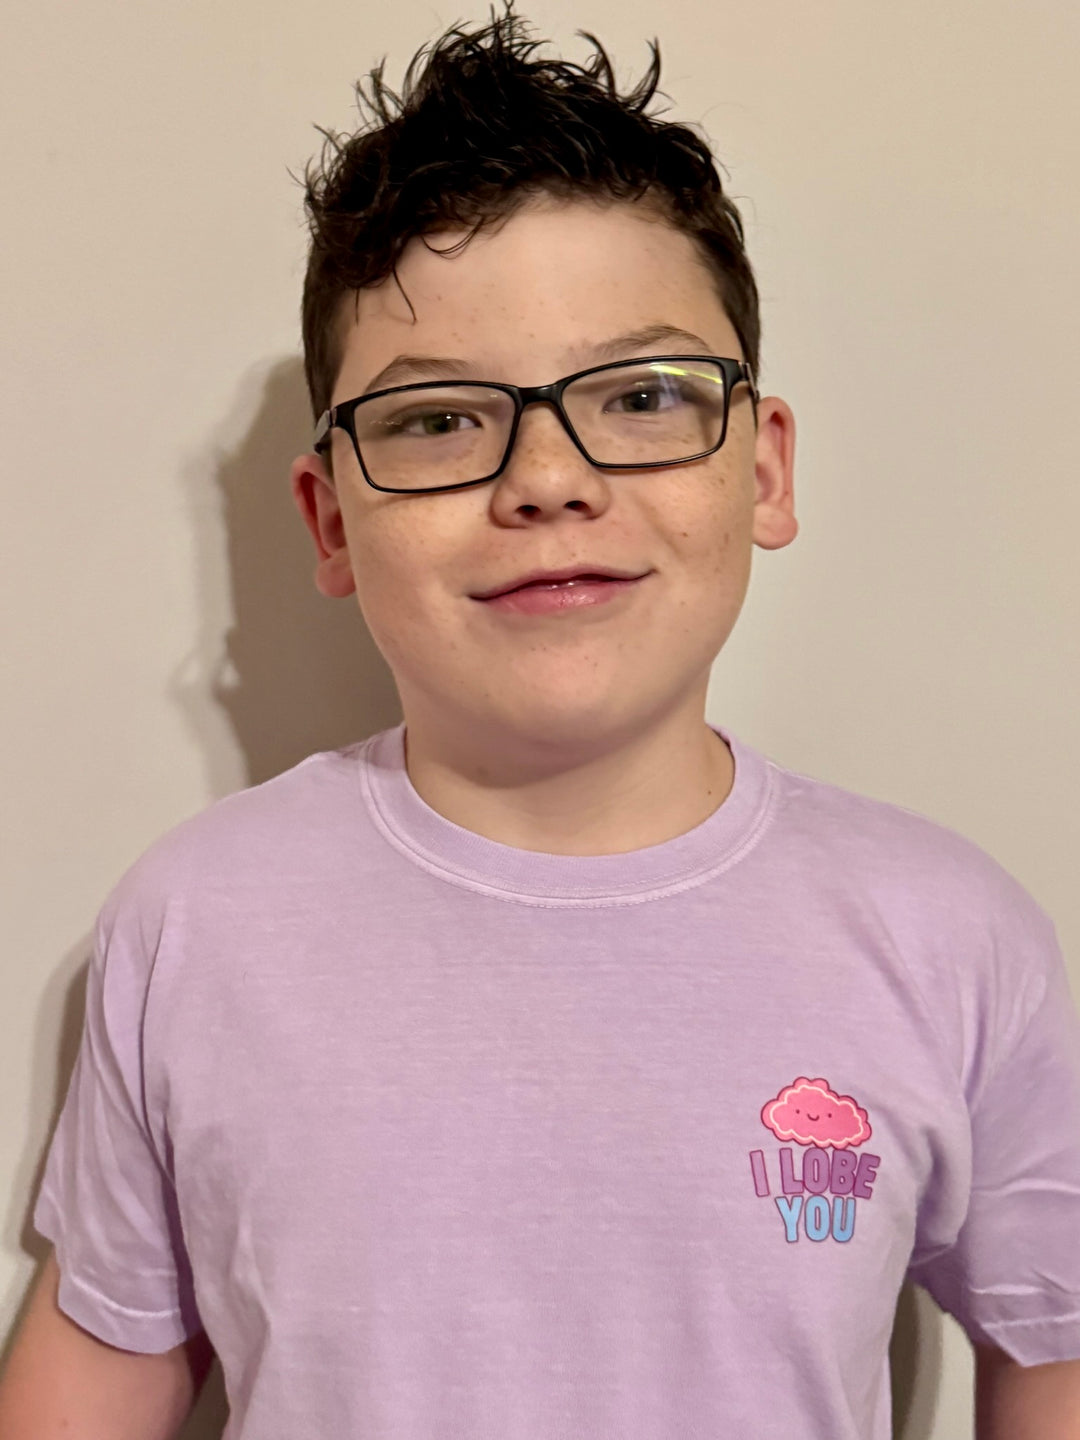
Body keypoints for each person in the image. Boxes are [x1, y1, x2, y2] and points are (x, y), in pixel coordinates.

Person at [2, 8, 1079, 1438]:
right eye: (441, 419)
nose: (549, 481)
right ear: (330, 519)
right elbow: (95, 1372)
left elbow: (1054, 1348)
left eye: (640, 395)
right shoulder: (200, 923)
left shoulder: (946, 937)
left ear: (762, 471)